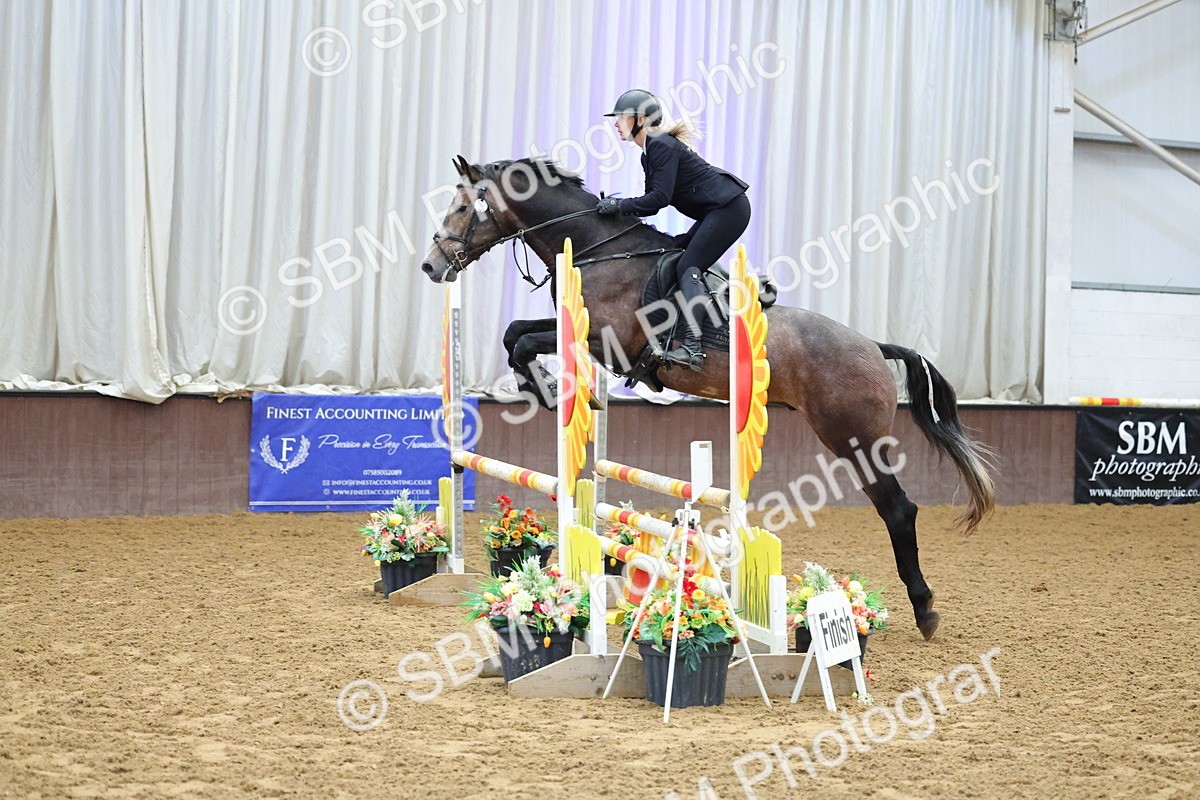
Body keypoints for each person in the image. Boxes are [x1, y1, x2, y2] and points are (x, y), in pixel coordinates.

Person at [598, 89, 751, 372]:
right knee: (678, 251)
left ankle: (693, 347)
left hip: (729, 209)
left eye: (621, 117)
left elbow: (659, 199)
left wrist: (618, 205)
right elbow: (651, 204)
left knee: (688, 266)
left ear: (640, 119)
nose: (616, 124)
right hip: (717, 211)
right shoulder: (649, 153)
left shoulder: (660, 145)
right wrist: (619, 209)